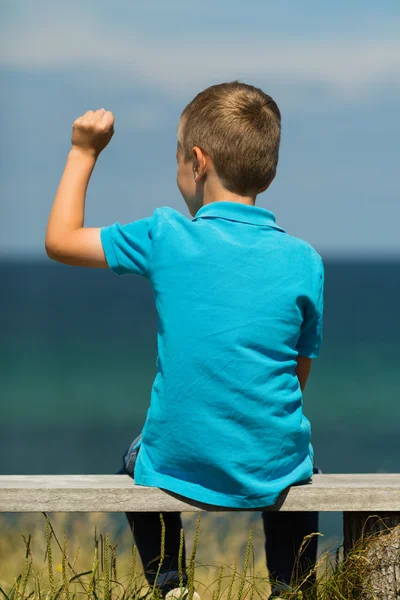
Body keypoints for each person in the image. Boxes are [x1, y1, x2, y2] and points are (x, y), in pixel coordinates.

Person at [45, 81, 324, 600]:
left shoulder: (166, 236)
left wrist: (83, 149)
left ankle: (171, 585)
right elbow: (296, 375)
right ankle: (293, 587)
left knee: (136, 452)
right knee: (301, 460)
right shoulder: (305, 260)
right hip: (270, 461)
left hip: (177, 461)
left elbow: (60, 240)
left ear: (197, 161)